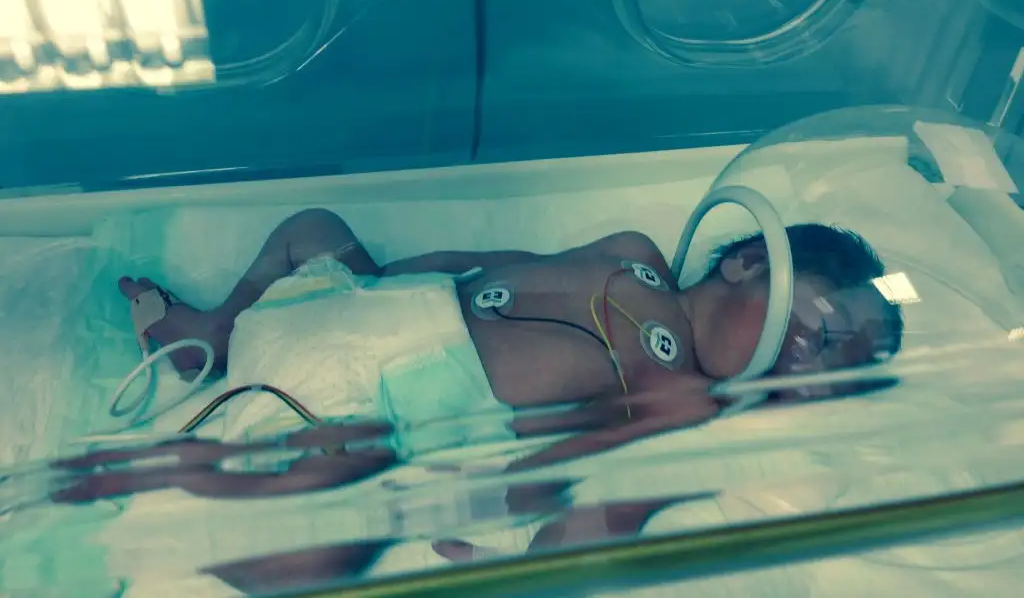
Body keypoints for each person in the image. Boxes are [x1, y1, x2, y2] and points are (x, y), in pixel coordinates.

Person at [97, 208, 903, 489]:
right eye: (822, 334)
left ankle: (187, 464)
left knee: (331, 496)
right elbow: (499, 264)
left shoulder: (680, 393)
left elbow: (560, 457)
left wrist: (488, 515)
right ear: (750, 262)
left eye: (836, 377)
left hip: (370, 392)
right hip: (362, 308)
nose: (809, 371)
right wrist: (379, 280)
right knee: (312, 230)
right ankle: (221, 328)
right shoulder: (636, 253)